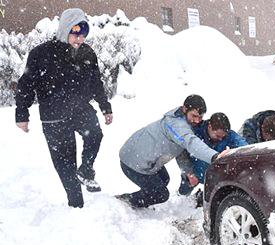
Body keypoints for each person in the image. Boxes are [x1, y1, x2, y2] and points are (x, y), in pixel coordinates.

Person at [15, 8, 113, 208]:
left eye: (83, 34)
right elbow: (26, 85)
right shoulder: (41, 53)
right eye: (75, 33)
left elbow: (96, 82)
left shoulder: (87, 53)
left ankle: (85, 169)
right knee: (65, 160)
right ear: (64, 29)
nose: (79, 39)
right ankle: (76, 203)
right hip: (54, 117)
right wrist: (21, 113)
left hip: (80, 110)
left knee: (95, 135)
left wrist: (105, 106)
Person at [118, 95, 229, 208]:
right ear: (184, 108)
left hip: (143, 157)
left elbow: (180, 150)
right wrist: (214, 157)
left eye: (200, 117)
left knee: (164, 180)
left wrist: (188, 172)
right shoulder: (176, 125)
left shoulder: (183, 121)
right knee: (161, 194)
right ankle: (123, 203)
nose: (197, 120)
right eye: (194, 116)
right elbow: (190, 143)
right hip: (132, 161)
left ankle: (138, 203)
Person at [178, 112, 248, 201]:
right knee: (183, 194)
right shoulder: (195, 132)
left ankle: (200, 199)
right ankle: (179, 201)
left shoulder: (229, 135)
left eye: (223, 137)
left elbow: (243, 145)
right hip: (193, 172)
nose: (220, 139)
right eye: (217, 136)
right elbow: (181, 153)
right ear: (210, 126)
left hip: (213, 174)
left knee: (211, 199)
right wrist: (188, 172)